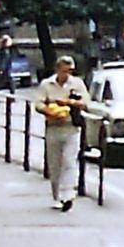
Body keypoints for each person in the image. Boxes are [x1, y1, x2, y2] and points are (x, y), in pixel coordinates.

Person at [36, 57, 90, 212]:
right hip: (53, 127)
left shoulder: (77, 84)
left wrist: (70, 103)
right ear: (58, 69)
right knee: (54, 163)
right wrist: (49, 110)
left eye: (70, 71)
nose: (67, 74)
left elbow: (86, 103)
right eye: (65, 70)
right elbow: (38, 103)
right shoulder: (47, 84)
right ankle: (56, 196)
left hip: (71, 127)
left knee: (69, 160)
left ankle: (68, 195)